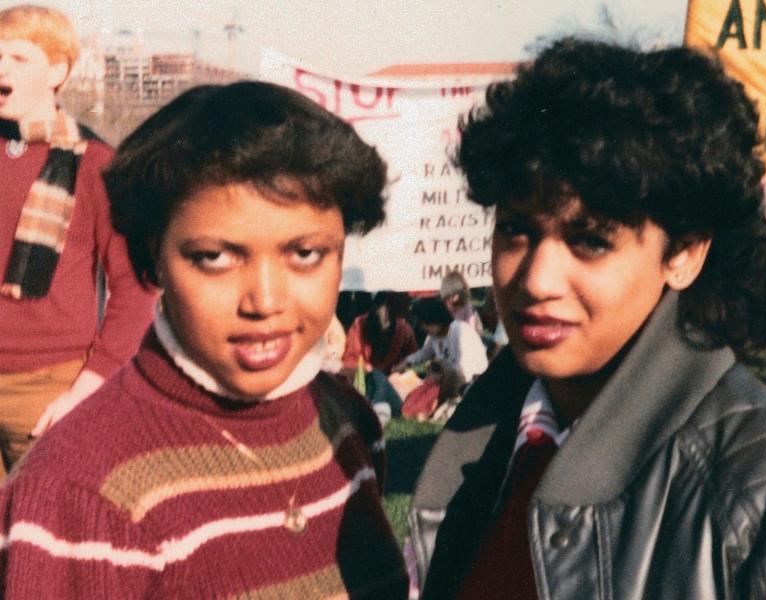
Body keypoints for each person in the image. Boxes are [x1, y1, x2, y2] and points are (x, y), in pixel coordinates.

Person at [408, 38, 766, 599]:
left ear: (685, 254)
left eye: (590, 241)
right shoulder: (487, 440)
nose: (536, 279)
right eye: (517, 229)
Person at [0, 82, 407, 598]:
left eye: (305, 253)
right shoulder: (77, 492)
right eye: (214, 257)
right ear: (154, 258)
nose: (264, 301)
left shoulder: (347, 421)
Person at [0, 5, 155, 478]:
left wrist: (88, 388)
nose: (0, 68)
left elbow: (137, 288)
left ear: (58, 71)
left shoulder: (96, 164)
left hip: (49, 385)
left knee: (45, 537)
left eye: (18, 58)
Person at [439, 270, 483, 334]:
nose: (452, 297)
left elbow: (471, 330)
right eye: (449, 295)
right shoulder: (439, 306)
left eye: (455, 293)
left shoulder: (466, 307)